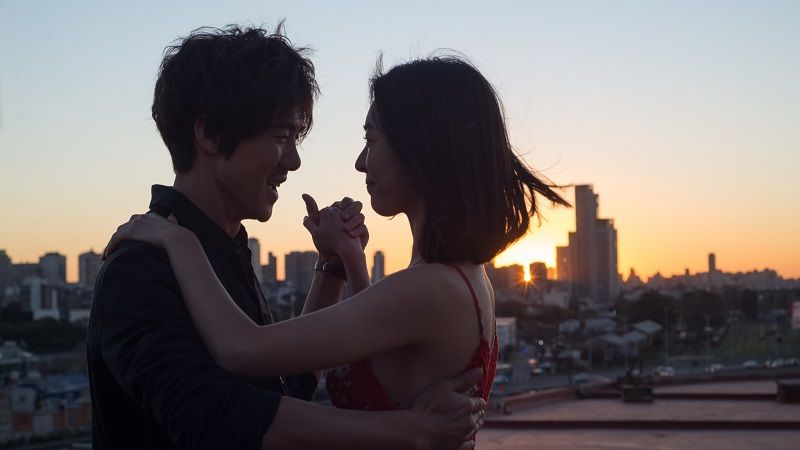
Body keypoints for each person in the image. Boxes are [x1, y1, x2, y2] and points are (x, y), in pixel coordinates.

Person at [103, 51, 571, 444]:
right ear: (208, 134)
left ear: (423, 149)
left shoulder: (430, 287)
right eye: (282, 137)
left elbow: (247, 360)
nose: (359, 161)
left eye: (371, 139)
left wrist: (179, 240)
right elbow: (226, 409)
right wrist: (340, 264)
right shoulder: (140, 269)